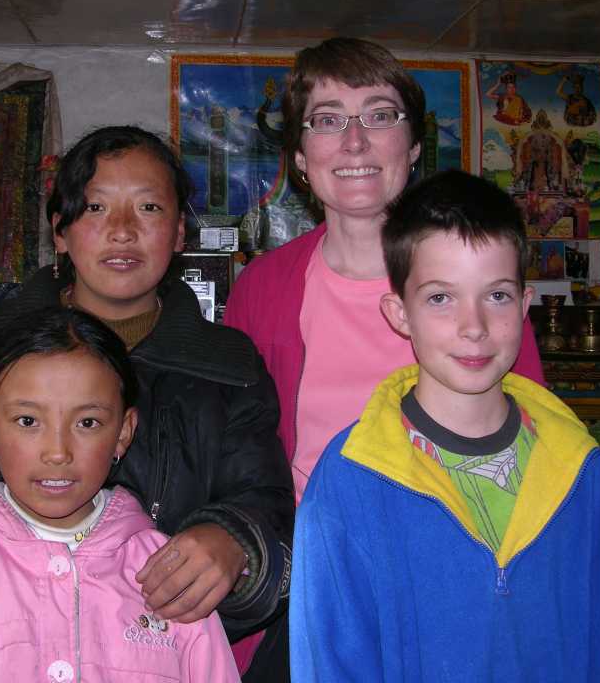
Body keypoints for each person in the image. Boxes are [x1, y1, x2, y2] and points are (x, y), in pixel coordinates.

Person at [0, 126, 293, 677]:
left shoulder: (228, 369)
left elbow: (266, 508)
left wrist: (235, 542)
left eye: (148, 207)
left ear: (178, 233)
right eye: (97, 207)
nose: (123, 231)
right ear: (60, 229)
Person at [224, 39, 546, 678]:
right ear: (298, 157)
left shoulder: (478, 280)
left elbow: (537, 445)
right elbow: (232, 451)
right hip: (311, 590)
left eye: (379, 114)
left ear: (416, 145)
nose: (354, 141)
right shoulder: (263, 288)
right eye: (326, 119)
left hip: (459, 584)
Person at [290, 170, 600, 681]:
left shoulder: (585, 477)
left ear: (525, 304)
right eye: (440, 298)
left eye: (495, 295)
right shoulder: (349, 483)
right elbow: (330, 663)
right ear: (399, 313)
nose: (473, 327)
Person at [0, 307, 240, 682]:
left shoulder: (171, 577)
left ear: (123, 432)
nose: (57, 452)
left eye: (87, 422)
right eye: (28, 421)